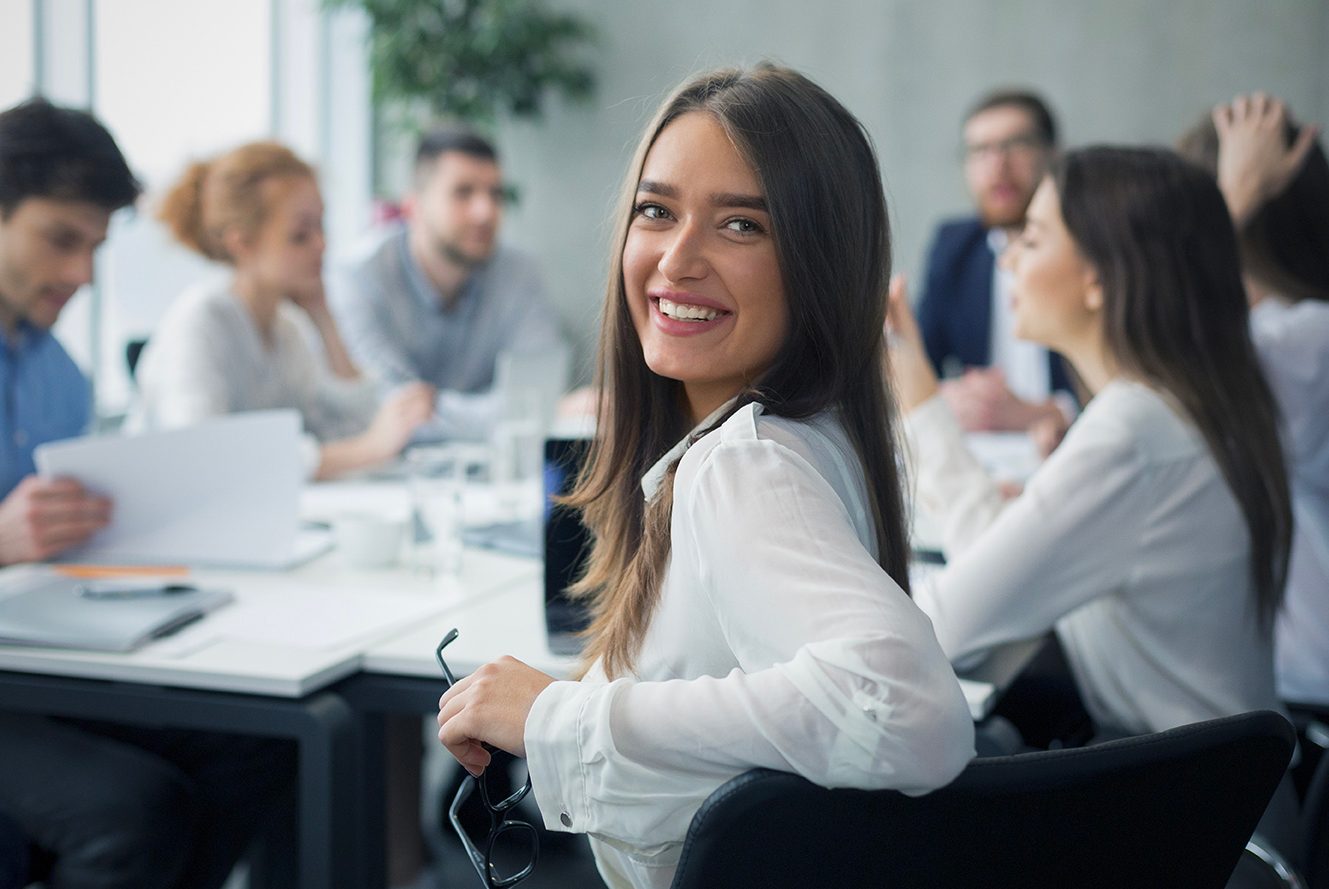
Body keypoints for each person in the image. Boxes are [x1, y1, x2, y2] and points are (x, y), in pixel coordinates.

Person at [434, 64, 975, 889]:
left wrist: (559, 715)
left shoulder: (745, 462)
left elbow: (910, 711)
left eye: (741, 226)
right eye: (656, 211)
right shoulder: (806, 434)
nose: (675, 260)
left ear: (819, 260)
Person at [888, 145, 1299, 853]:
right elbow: (1005, 566)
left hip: (1200, 836)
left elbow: (948, 622)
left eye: (1033, 237)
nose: (1008, 257)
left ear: (1100, 279)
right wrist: (922, 399)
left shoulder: (1132, 431)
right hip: (1227, 807)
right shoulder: (1183, 405)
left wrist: (918, 404)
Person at [0, 97, 292, 889]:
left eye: (94, 247)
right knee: (132, 807)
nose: (80, 275)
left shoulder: (57, 376)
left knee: (262, 743)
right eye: (60, 240)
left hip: (36, 663)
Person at [128, 141, 434, 478]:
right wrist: (368, 448)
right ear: (242, 243)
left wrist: (323, 317)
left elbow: (353, 432)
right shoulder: (200, 322)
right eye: (300, 235)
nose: (321, 245)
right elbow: (204, 458)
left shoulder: (286, 329)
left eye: (321, 227)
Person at [1176, 93, 1329, 711]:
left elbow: (1163, 324)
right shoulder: (1269, 333)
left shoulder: (1303, 337)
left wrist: (1232, 193)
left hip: (1298, 680)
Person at [330, 128, 567, 440]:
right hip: (380, 479)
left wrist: (432, 409)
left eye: (495, 195)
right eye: (463, 193)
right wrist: (503, 414)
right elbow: (380, 410)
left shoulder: (521, 274)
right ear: (413, 205)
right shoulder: (359, 277)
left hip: (493, 477)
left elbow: (538, 397)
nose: (485, 212)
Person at [915, 89, 1075, 443]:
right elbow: (921, 361)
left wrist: (1052, 413)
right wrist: (949, 398)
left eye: (1016, 144)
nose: (997, 165)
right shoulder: (953, 247)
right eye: (980, 151)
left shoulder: (1088, 245)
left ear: (1052, 155)